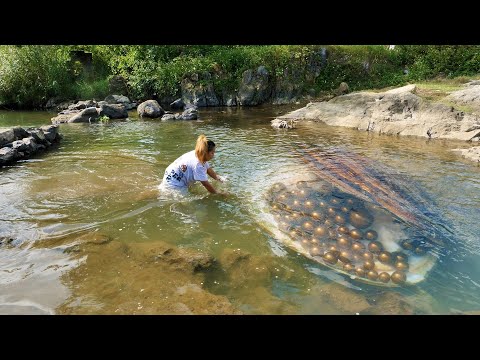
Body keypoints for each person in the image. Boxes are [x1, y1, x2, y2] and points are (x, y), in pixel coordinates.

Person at [159, 134, 227, 195]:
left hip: (170, 174)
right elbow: (206, 184)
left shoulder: (198, 153)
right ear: (205, 152)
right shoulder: (198, 165)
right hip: (174, 184)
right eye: (212, 153)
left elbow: (208, 169)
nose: (214, 155)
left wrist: (218, 178)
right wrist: (218, 194)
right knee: (190, 202)